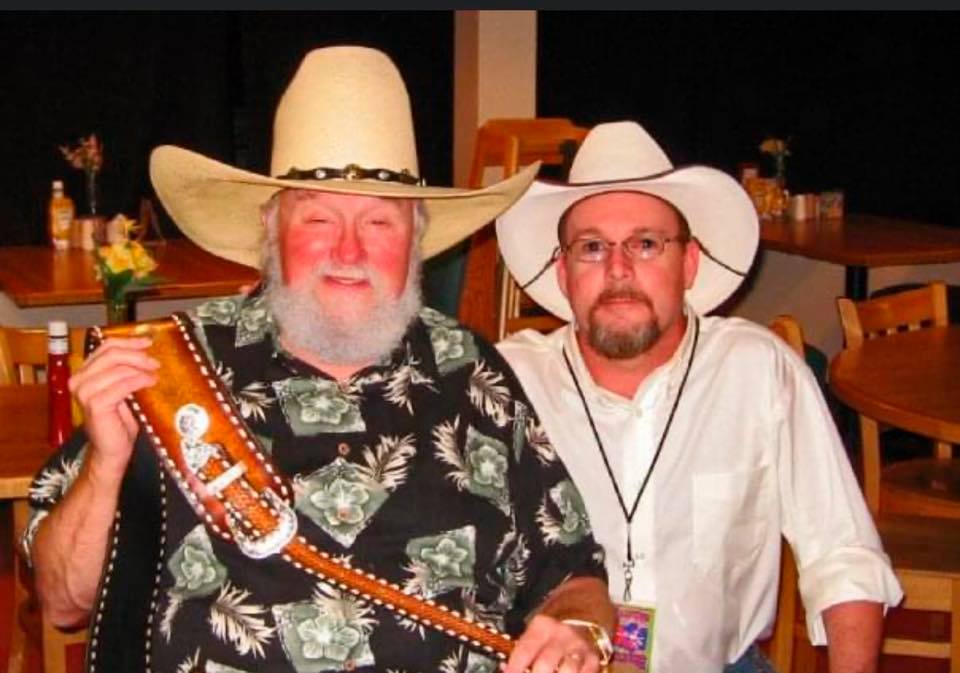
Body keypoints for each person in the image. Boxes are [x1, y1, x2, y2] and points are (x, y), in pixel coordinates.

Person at [22, 47, 616, 673]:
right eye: (319, 219)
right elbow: (63, 602)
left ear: (416, 240)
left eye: (379, 223)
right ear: (271, 230)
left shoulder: (473, 372)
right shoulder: (170, 371)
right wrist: (106, 464)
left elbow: (574, 575)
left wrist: (579, 630)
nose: (349, 251)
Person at [495, 121, 903, 673]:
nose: (618, 270)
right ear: (563, 272)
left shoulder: (757, 371)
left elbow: (842, 555)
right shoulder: (505, 384)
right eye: (592, 247)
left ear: (688, 265)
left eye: (646, 244)